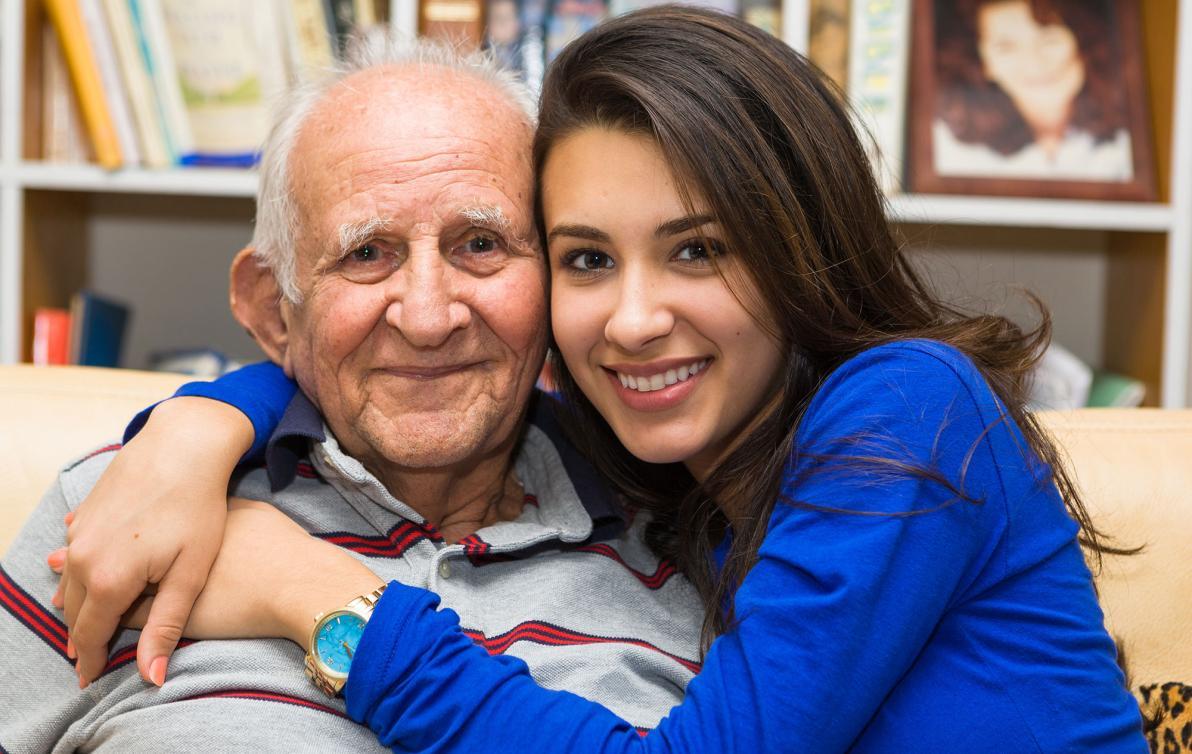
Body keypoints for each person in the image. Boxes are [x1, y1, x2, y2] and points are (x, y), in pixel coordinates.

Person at [54, 6, 1146, 752]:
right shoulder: (653, 461)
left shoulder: (904, 410)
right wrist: (198, 425)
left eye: (697, 249)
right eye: (585, 258)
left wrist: (317, 597)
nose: (630, 319)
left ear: (797, 246)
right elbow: (412, 366)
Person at [0, 32, 706, 752]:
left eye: (481, 244)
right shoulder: (125, 517)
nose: (429, 318)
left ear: (560, 278)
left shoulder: (698, 547)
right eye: (367, 253)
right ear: (276, 309)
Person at [933, 0, 1135, 181]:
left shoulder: (1131, 137)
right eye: (1006, 47)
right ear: (985, 64)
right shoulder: (949, 148)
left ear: (1082, 44)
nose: (1035, 63)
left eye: (1049, 40)